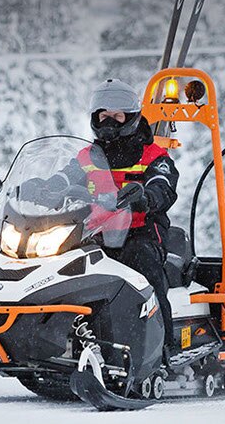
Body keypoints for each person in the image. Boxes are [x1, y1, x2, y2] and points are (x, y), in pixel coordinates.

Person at [44, 79, 180, 352]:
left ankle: (162, 347)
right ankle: (56, 340)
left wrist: (147, 196)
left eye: (117, 117)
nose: (110, 124)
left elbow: (163, 184)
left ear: (131, 118)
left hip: (140, 230)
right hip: (95, 232)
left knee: (144, 267)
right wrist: (45, 187)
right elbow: (67, 175)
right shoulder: (89, 156)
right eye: (104, 117)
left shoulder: (154, 155)